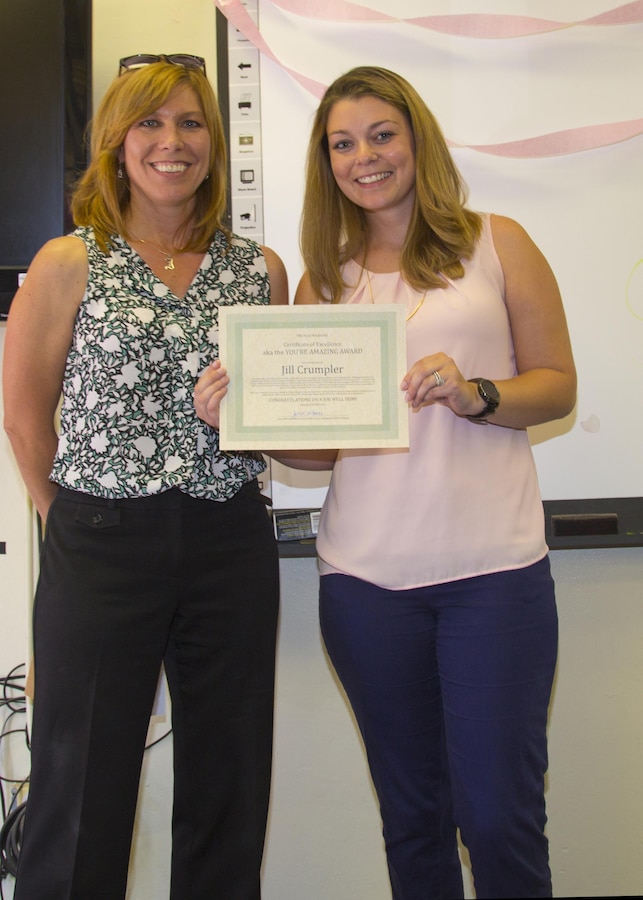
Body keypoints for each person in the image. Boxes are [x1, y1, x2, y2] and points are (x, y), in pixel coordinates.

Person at [196, 65, 576, 900]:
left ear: (415, 140)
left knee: (499, 819)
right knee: (411, 820)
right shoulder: (322, 281)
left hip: (493, 577)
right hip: (365, 586)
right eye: (341, 144)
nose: (362, 157)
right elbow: (319, 454)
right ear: (326, 162)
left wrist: (477, 394)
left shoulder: (497, 242)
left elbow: (557, 386)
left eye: (379, 135)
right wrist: (241, 419)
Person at [2, 54, 287, 900]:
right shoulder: (69, 261)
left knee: (229, 775)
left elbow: (280, 413)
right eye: (150, 123)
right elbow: (25, 416)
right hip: (100, 539)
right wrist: (65, 518)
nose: (172, 141)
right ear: (117, 145)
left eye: (191, 123)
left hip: (228, 538)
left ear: (214, 143)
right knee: (80, 781)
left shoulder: (259, 270)